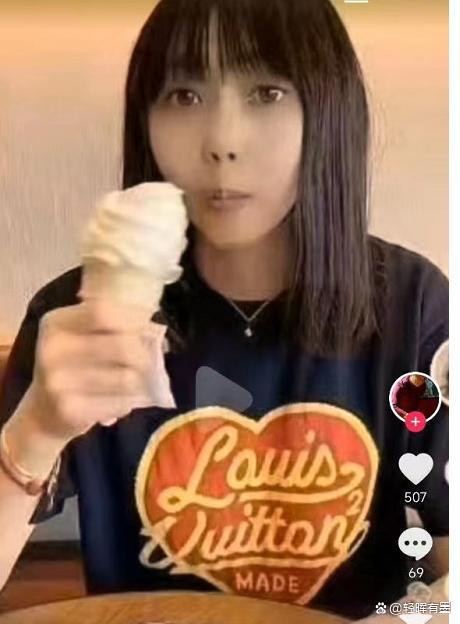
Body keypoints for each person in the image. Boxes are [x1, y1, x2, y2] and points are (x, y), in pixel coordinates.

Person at [0, 0, 448, 620]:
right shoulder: (75, 319)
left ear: (328, 111)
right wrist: (35, 431)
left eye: (267, 93)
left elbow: (447, 563)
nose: (221, 143)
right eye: (184, 96)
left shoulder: (414, 307)